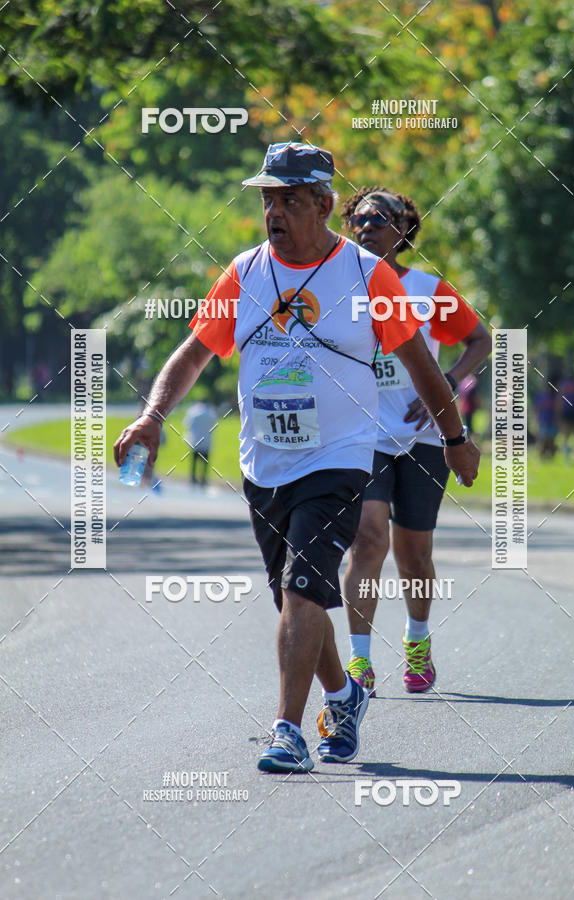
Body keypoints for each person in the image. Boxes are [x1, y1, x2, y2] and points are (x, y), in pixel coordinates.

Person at [114, 144, 480, 774]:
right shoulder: (244, 272)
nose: (274, 211)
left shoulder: (370, 276)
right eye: (267, 199)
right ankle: (345, 695)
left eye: (289, 199)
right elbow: (194, 353)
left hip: (338, 459)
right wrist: (151, 416)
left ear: (325, 205)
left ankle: (287, 731)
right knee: (296, 597)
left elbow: (423, 366)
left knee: (303, 588)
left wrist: (454, 439)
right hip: (264, 464)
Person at [340, 186, 492, 696]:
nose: (367, 226)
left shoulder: (427, 290)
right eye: (358, 218)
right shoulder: (336, 287)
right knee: (367, 539)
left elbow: (482, 340)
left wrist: (446, 384)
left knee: (414, 556)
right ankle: (358, 663)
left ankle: (418, 640)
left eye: (380, 218)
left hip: (425, 437)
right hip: (363, 435)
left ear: (404, 230)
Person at [183, 401, 218, 485]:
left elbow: (187, 424)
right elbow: (214, 425)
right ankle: (203, 479)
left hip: (196, 440)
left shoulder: (193, 413)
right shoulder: (211, 414)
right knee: (205, 462)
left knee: (194, 462)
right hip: (207, 441)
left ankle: (193, 478)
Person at [559, 371, 574, 460]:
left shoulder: (564, 384)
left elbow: (560, 398)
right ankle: (573, 452)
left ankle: (569, 453)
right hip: (573, 410)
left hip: (569, 410)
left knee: (568, 432)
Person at [536, 382, 559, 459]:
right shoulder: (541, 397)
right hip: (544, 421)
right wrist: (537, 419)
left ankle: (551, 456)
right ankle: (542, 456)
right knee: (543, 440)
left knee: (551, 440)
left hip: (552, 421)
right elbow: (537, 409)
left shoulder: (554, 398)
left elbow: (557, 410)